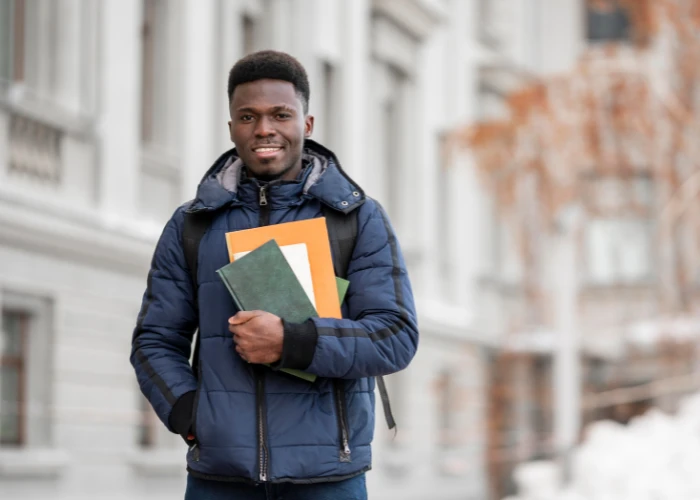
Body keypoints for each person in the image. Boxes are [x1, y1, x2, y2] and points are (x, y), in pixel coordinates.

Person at [130, 50, 419, 500]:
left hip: (329, 479)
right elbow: (154, 341)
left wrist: (292, 341)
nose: (264, 129)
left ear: (306, 124)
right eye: (248, 116)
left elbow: (396, 336)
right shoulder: (191, 225)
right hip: (218, 480)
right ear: (231, 128)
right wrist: (189, 414)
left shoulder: (356, 219)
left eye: (280, 114)